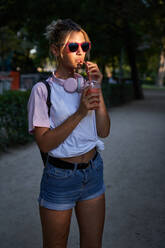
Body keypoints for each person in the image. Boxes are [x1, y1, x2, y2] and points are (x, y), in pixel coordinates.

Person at [28, 18, 110, 248]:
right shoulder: (42, 91)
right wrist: (80, 112)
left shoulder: (87, 85)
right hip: (60, 178)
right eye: (73, 47)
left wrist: (97, 87)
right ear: (56, 50)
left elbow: (103, 131)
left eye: (85, 46)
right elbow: (44, 144)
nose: (80, 52)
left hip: (93, 172)